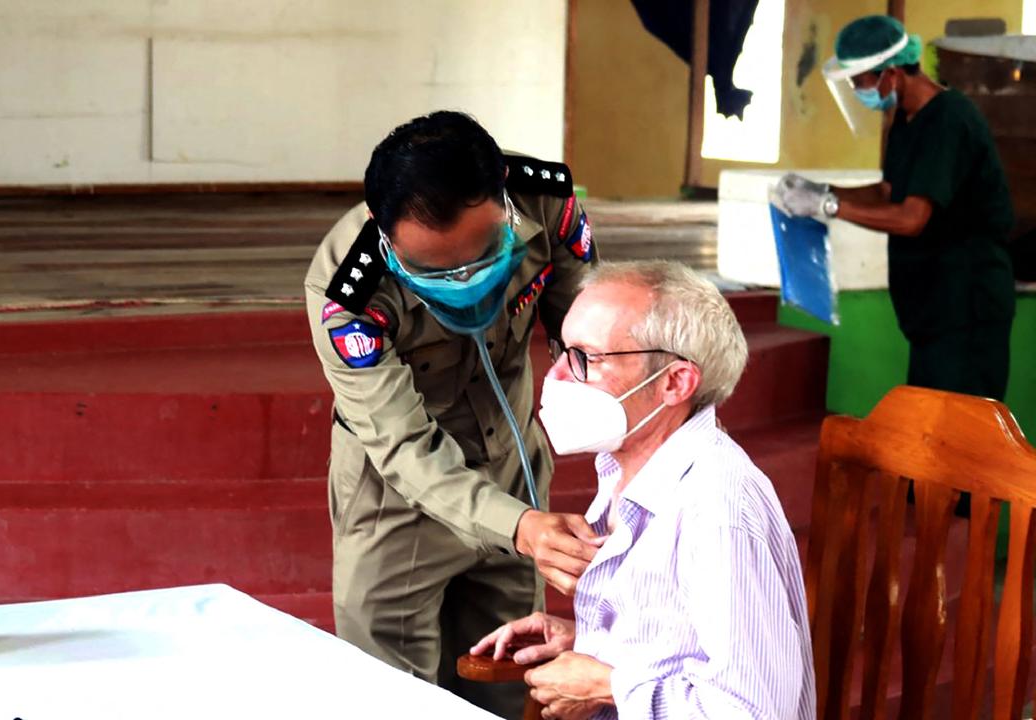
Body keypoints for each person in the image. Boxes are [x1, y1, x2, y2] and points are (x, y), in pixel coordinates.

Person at [303, 111, 603, 717]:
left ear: (503, 204)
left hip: (512, 469)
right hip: (398, 503)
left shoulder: (544, 200)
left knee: (504, 680)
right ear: (382, 231)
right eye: (435, 270)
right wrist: (519, 527)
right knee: (389, 697)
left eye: (485, 253)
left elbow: (598, 340)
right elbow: (403, 448)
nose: (465, 281)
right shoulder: (348, 292)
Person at [471, 261, 815, 719]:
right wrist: (593, 644)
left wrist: (607, 682)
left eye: (584, 358)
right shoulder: (627, 467)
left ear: (674, 382)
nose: (554, 376)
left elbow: (750, 711)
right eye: (560, 350)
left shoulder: (715, 510)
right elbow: (681, 637)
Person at [774, 14, 1015, 401]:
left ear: (890, 74)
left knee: (961, 433)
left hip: (967, 310)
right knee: (927, 424)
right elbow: (890, 192)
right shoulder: (907, 120)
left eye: (859, 81)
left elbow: (911, 218)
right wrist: (823, 189)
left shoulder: (950, 119)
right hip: (933, 314)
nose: (857, 91)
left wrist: (829, 205)